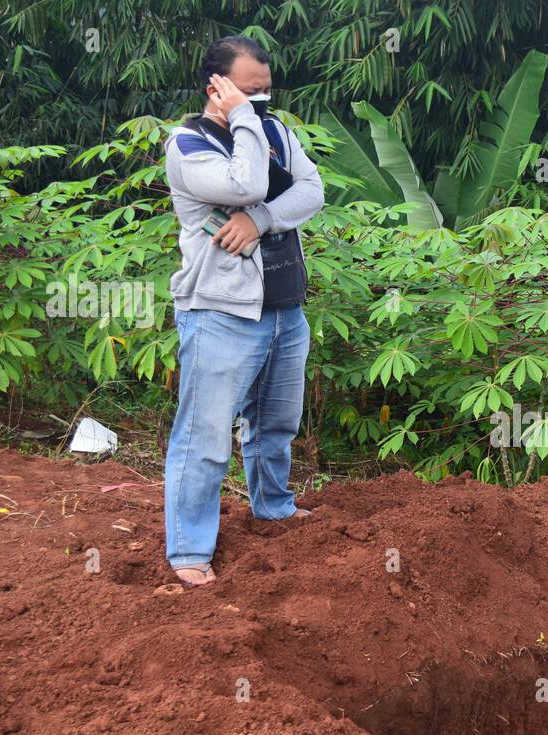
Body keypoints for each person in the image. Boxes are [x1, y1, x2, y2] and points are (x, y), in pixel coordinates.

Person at [162, 36, 323, 586]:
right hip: (220, 312)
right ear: (217, 87)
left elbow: (312, 191)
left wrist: (261, 221)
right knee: (205, 436)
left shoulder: (276, 130)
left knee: (276, 424)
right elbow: (247, 181)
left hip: (284, 306)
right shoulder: (188, 145)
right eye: (249, 93)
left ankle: (273, 508)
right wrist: (244, 121)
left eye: (266, 94)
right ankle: (188, 550)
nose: (263, 105)